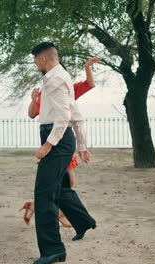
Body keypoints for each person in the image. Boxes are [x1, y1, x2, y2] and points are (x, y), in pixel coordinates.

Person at [30, 42, 96, 264]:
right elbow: (75, 113)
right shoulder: (59, 77)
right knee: (59, 189)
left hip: (56, 140)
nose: (35, 64)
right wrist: (82, 146)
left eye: (35, 61)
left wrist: (47, 145)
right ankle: (84, 221)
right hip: (61, 139)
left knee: (44, 195)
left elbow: (63, 118)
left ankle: (53, 251)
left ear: (43, 60)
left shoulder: (56, 80)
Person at [21, 57, 100, 228]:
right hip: (52, 142)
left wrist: (87, 67)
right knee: (62, 185)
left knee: (64, 184)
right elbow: (32, 114)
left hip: (61, 141)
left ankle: (39, 208)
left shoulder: (66, 88)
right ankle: (72, 219)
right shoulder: (46, 93)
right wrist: (33, 99)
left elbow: (89, 84)